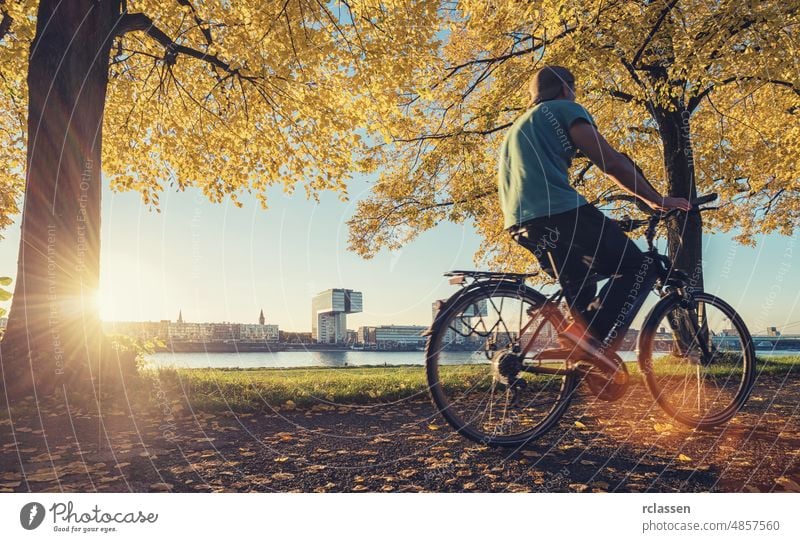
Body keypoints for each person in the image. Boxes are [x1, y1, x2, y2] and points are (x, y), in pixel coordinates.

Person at [497, 65, 691, 372]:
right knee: (639, 266)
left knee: (583, 287)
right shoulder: (565, 109)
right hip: (559, 211)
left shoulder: (519, 127)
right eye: (573, 88)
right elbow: (610, 161)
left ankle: (588, 357)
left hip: (522, 224)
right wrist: (657, 199)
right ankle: (591, 345)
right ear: (565, 88)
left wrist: (605, 226)